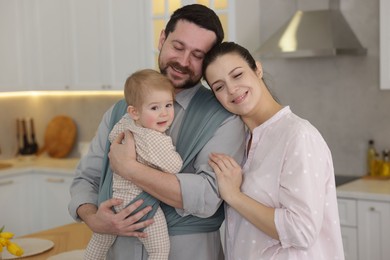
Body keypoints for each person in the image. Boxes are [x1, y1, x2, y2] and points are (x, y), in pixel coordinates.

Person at [68, 4, 246, 260]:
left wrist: (129, 168)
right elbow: (86, 179)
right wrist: (93, 218)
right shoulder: (121, 111)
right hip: (118, 251)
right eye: (178, 47)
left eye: (197, 55)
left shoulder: (224, 118)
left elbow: (207, 195)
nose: (184, 62)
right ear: (162, 39)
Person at [202, 42, 345, 260]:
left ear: (257, 69)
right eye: (219, 87)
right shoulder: (242, 141)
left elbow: (301, 231)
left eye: (237, 75)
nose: (231, 89)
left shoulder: (297, 135)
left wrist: (234, 196)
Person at [84, 69, 183, 260]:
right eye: (154, 108)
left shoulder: (126, 123)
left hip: (113, 199)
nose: (164, 114)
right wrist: (169, 145)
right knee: (159, 250)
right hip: (139, 204)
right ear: (134, 111)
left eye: (169, 105)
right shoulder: (154, 138)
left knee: (100, 242)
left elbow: (113, 136)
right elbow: (174, 166)